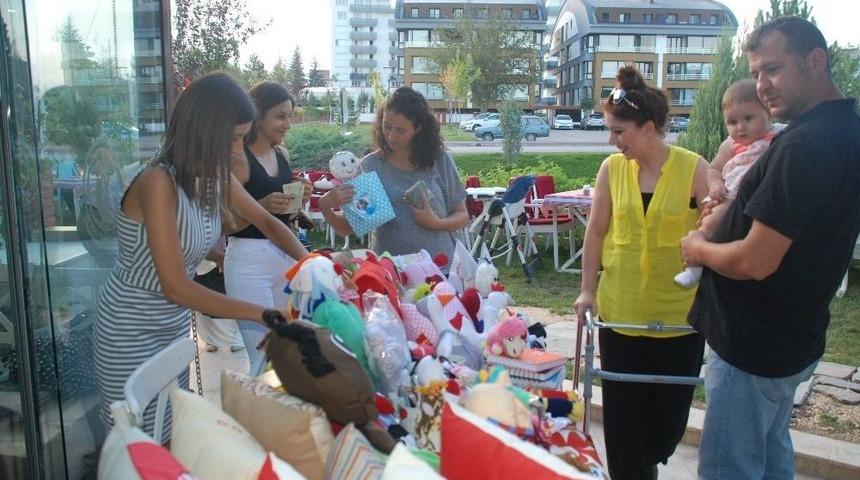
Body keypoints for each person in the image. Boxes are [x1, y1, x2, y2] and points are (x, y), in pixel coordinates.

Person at [681, 17, 860, 479]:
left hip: (753, 347)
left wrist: (698, 248)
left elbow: (756, 260)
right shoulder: (843, 130)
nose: (762, 86)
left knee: (731, 469)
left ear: (816, 61)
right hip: (790, 339)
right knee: (771, 454)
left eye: (774, 70)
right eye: (756, 73)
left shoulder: (806, 144)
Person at [93, 72, 308, 439]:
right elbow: (176, 287)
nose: (240, 149)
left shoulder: (209, 176)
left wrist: (313, 265)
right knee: (136, 442)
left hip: (171, 325)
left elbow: (269, 224)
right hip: (131, 326)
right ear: (206, 131)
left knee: (172, 430)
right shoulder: (158, 181)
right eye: (235, 138)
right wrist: (264, 314)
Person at [573, 66, 709, 479]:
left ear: (648, 127)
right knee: (623, 424)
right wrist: (587, 291)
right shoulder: (611, 170)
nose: (611, 140)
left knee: (666, 426)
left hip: (680, 319)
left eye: (619, 131)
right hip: (622, 312)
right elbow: (596, 233)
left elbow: (715, 226)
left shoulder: (694, 168)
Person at [318, 86, 468, 261]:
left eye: (401, 130)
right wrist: (324, 205)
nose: (391, 136)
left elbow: (463, 216)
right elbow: (347, 227)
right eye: (387, 126)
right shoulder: (371, 166)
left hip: (441, 269)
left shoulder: (439, 160)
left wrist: (436, 223)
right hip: (391, 272)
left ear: (418, 128)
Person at [223, 81, 311, 375]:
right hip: (249, 261)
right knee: (264, 357)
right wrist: (261, 206)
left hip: (285, 257)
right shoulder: (237, 160)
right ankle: (259, 416)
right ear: (258, 116)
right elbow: (225, 224)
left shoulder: (281, 155)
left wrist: (298, 200)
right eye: (280, 116)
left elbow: (283, 216)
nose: (288, 124)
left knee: (288, 352)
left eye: (290, 116)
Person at [674, 79, 783, 287]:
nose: (741, 127)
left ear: (769, 112)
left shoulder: (779, 135)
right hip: (730, 195)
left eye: (749, 118)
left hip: (762, 196)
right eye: (732, 122)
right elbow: (713, 169)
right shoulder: (731, 144)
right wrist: (715, 186)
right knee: (710, 224)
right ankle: (694, 266)